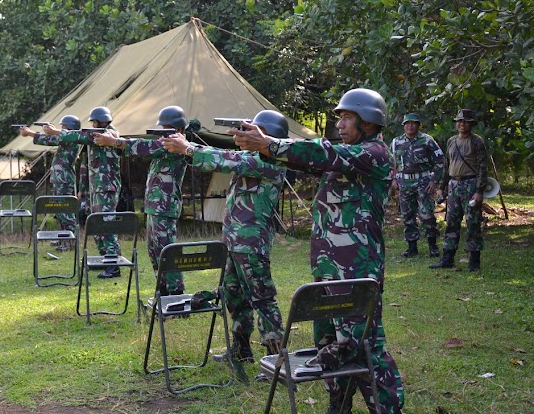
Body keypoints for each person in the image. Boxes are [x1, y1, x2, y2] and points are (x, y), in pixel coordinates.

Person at [230, 89, 404, 414]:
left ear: (368, 122)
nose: (340, 123)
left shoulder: (374, 154)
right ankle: (337, 407)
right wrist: (265, 146)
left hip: (355, 275)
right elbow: (307, 157)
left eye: (347, 117)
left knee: (364, 347)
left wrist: (268, 143)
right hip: (326, 273)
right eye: (339, 117)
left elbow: (320, 154)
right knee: (328, 344)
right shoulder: (346, 154)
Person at [162, 110, 288, 363]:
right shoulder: (253, 157)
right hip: (233, 241)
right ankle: (242, 351)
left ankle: (276, 360)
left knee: (262, 298)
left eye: (254, 132)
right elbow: (230, 154)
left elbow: (226, 159)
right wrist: (190, 143)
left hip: (251, 244)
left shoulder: (269, 162)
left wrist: (187, 148)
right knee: (233, 295)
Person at [93, 106, 188, 295]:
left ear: (178, 130)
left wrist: (115, 142)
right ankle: (163, 291)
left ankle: (176, 294)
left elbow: (143, 146)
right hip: (155, 207)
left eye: (166, 128)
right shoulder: (166, 144)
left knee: (166, 252)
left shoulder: (176, 145)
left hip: (165, 207)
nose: (161, 133)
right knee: (154, 251)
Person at [44, 107, 122, 279]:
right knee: (97, 224)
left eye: (94, 122)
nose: (92, 125)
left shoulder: (109, 134)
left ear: (102, 122)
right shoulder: (98, 136)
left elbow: (79, 136)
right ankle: (105, 259)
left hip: (106, 188)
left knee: (107, 224)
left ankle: (113, 265)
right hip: (97, 188)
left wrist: (57, 132)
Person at [431, 108, 488, 272]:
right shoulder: (451, 141)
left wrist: (479, 191)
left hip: (470, 184)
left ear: (471, 124)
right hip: (453, 185)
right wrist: (442, 188)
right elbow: (446, 166)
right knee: (451, 222)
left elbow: (483, 168)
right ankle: (448, 258)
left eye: (465, 121)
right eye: (459, 121)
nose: (461, 124)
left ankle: (474, 261)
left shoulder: (477, 141)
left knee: (473, 223)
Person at [19, 115, 82, 250]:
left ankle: (71, 241)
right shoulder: (67, 138)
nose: (61, 129)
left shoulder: (71, 138)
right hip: (60, 179)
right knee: (59, 209)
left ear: (70, 128)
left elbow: (48, 139)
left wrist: (30, 133)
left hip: (64, 179)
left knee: (65, 210)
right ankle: (63, 237)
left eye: (63, 127)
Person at [390, 113, 444, 257]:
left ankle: (433, 245)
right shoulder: (396, 142)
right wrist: (393, 179)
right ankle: (411, 247)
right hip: (404, 183)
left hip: (423, 183)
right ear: (403, 125)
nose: (410, 126)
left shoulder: (427, 140)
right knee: (407, 216)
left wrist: (434, 181)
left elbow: (440, 160)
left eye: (413, 123)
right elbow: (392, 163)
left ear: (419, 125)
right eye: (407, 123)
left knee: (426, 214)